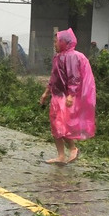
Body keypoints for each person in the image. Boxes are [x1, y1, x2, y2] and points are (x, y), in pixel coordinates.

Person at [39, 28, 96, 164]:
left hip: (65, 97)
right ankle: (61, 155)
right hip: (56, 96)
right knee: (55, 125)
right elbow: (54, 78)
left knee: (61, 125)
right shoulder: (58, 58)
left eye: (56, 42)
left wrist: (71, 95)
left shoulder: (72, 57)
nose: (55, 44)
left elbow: (74, 77)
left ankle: (72, 148)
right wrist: (46, 93)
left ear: (64, 42)